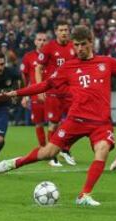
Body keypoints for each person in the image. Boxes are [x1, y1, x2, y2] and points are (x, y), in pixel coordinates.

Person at [0, 25, 116, 206]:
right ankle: (16, 162)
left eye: (83, 44)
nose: (79, 49)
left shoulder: (106, 62)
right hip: (76, 119)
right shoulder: (68, 67)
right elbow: (45, 85)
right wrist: (14, 93)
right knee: (48, 153)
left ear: (91, 42)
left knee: (103, 151)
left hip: (101, 122)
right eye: (76, 45)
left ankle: (84, 195)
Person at [36, 20, 77, 167]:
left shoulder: (74, 47)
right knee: (53, 124)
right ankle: (51, 155)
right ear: (56, 32)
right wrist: (40, 88)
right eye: (61, 30)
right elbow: (38, 68)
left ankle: (65, 149)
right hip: (53, 92)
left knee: (74, 122)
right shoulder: (49, 48)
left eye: (66, 29)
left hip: (70, 92)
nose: (64, 32)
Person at [20, 32, 48, 148]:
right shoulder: (28, 57)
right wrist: (25, 96)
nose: (42, 42)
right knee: (38, 123)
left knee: (56, 123)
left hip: (52, 94)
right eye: (39, 40)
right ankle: (43, 148)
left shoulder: (52, 56)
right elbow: (24, 77)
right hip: (36, 95)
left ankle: (57, 149)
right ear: (35, 41)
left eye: (44, 40)